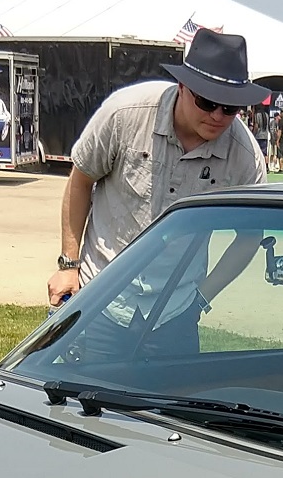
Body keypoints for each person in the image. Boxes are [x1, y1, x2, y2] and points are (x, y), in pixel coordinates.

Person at [48, 27, 268, 307]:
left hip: (176, 308)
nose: (217, 116)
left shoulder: (245, 157)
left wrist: (200, 300)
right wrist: (69, 264)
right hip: (100, 293)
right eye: (207, 102)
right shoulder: (125, 114)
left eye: (229, 108)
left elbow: (250, 235)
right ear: (182, 87)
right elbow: (81, 180)